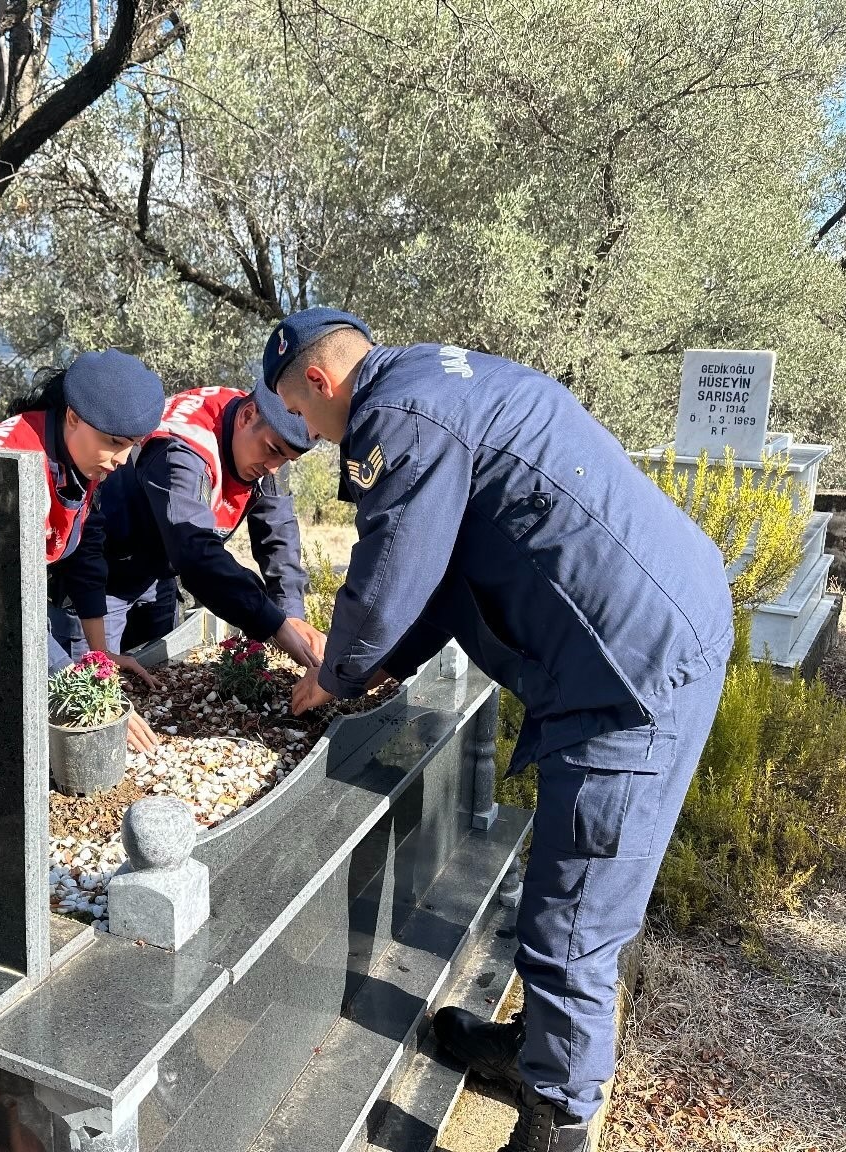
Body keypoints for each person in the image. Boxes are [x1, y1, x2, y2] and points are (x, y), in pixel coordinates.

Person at [264, 308, 733, 1152]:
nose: (305, 430)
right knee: (563, 891)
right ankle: (540, 1049)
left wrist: (335, 672)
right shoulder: (431, 381)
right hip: (641, 630)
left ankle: (559, 1122)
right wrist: (384, 666)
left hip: (629, 673)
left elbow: (389, 573)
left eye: (300, 413)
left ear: (322, 383)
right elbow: (443, 570)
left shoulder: (395, 421)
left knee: (572, 921)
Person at [0, 348, 165, 752]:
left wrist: (101, 654)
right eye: (113, 443)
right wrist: (81, 688)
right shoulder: (3, 467)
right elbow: (4, 604)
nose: (122, 461)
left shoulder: (84, 455)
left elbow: (85, 556)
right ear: (72, 416)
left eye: (131, 445)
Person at [58, 383, 326, 670]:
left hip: (159, 572)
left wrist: (289, 611)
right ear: (247, 416)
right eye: (274, 451)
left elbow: (278, 529)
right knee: (95, 681)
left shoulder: (270, 432)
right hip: (105, 574)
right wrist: (273, 623)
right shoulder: (182, 449)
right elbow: (195, 553)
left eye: (286, 458)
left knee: (161, 674)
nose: (274, 468)